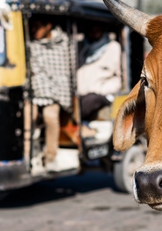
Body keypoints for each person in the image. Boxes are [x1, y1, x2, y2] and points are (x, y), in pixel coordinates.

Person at [24, 17, 75, 172]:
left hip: (56, 91)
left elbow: (69, 69)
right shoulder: (31, 45)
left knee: (50, 117)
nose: (34, 31)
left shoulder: (64, 42)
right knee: (28, 117)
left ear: (48, 26)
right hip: (35, 90)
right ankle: (27, 156)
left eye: (38, 26)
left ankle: (50, 157)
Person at [77, 23, 122, 125]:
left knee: (87, 103)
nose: (94, 32)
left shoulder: (113, 47)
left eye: (97, 28)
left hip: (101, 93)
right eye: (91, 29)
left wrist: (100, 90)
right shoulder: (81, 47)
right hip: (81, 93)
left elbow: (118, 77)